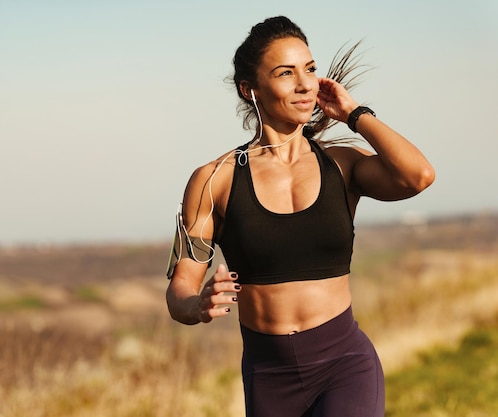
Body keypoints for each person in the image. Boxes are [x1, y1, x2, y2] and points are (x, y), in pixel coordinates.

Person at [165, 16, 435, 417]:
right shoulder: (213, 181)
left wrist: (355, 114)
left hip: (345, 364)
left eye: (309, 69)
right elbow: (180, 289)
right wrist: (198, 305)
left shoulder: (342, 166)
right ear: (250, 89)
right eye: (285, 73)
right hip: (267, 377)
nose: (305, 83)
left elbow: (418, 175)